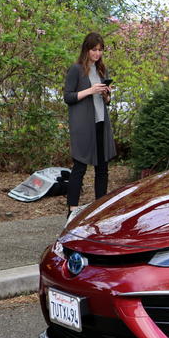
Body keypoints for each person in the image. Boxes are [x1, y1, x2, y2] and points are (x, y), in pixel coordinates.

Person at [63, 32, 116, 216]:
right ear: (86, 49)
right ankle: (72, 210)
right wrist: (90, 90)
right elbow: (68, 97)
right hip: (84, 126)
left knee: (103, 168)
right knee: (80, 167)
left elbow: (107, 101)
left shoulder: (102, 70)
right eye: (94, 49)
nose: (97, 54)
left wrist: (105, 94)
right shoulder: (76, 69)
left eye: (100, 50)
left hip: (101, 122)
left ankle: (99, 207)